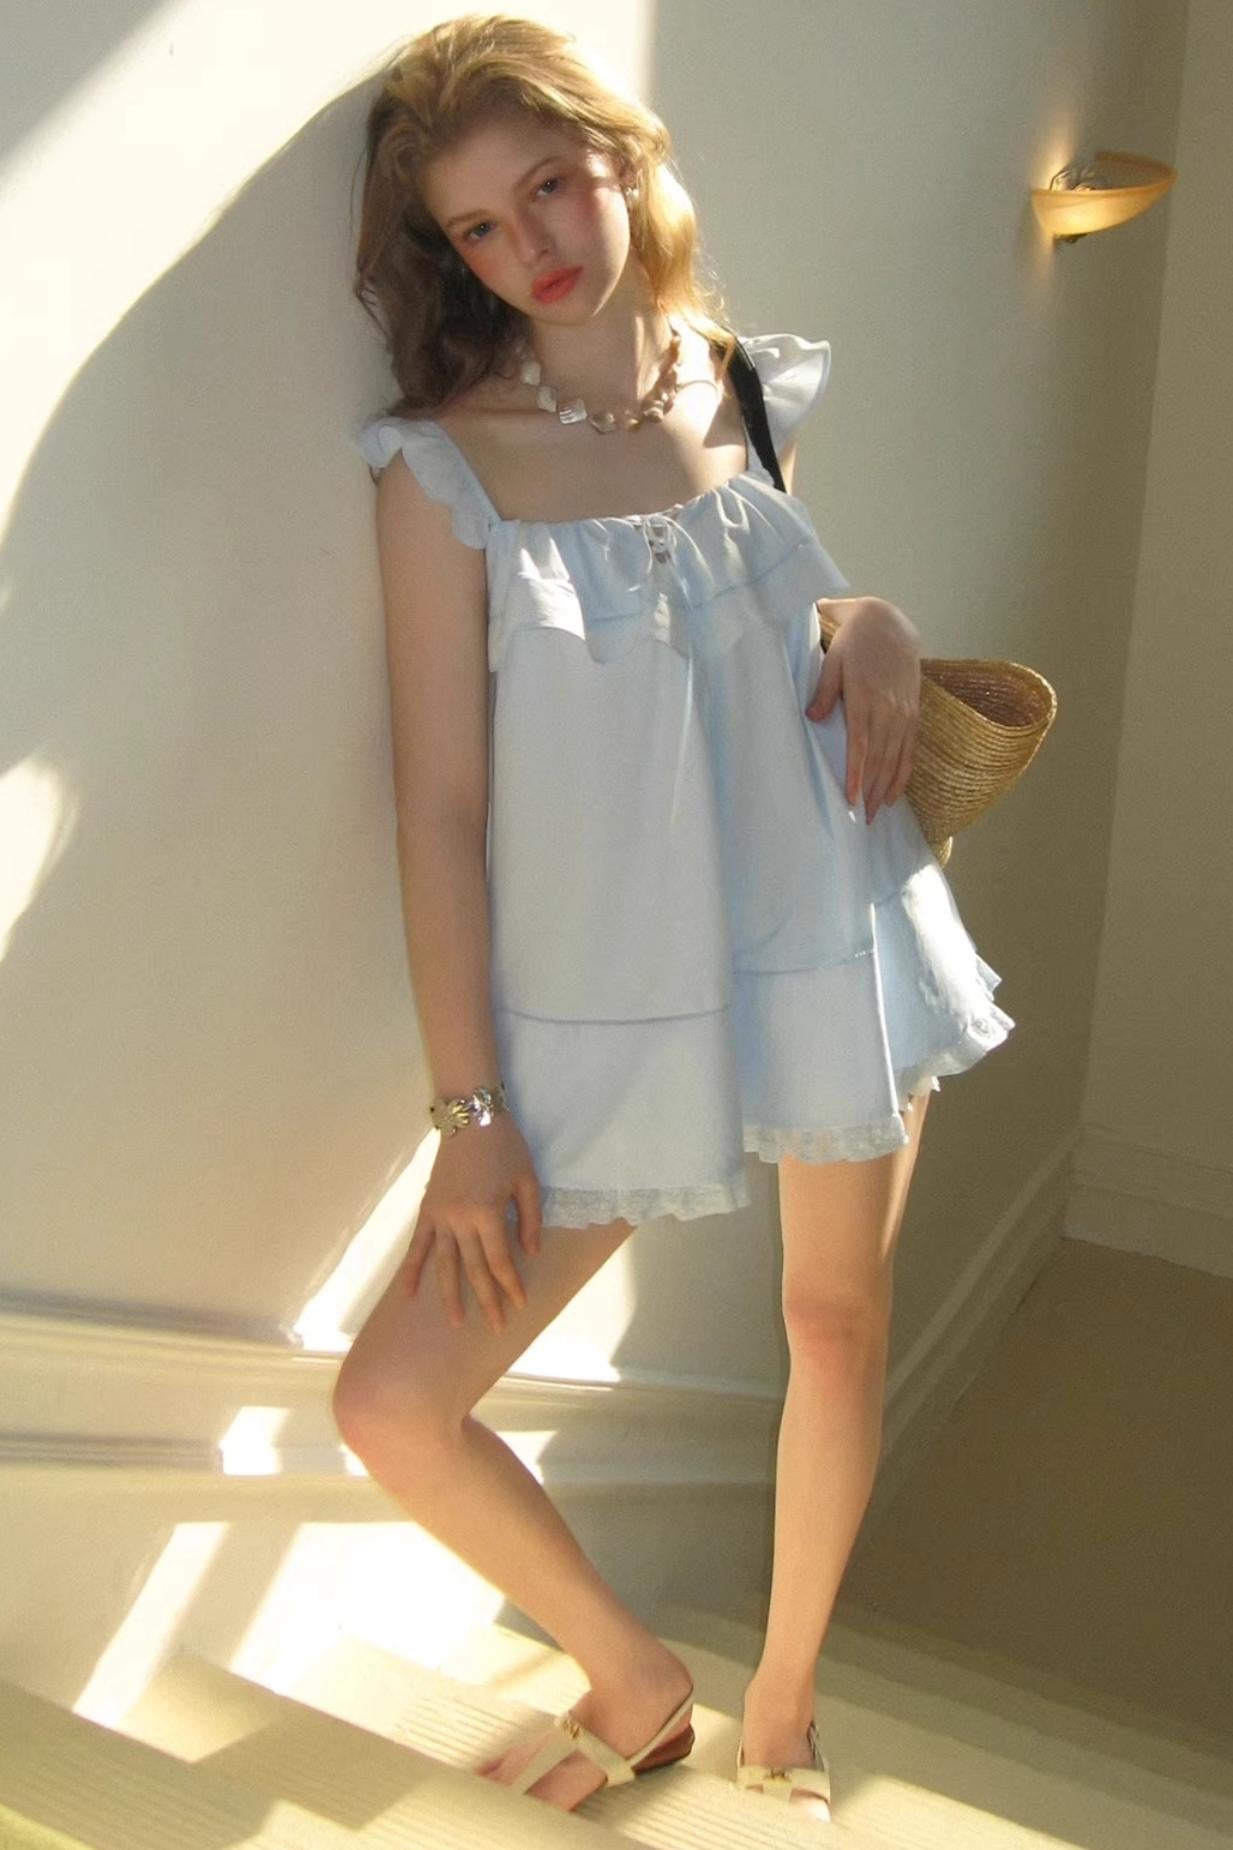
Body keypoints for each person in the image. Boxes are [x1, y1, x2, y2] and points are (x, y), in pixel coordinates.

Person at [333, 10, 1013, 1822]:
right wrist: (469, 1113)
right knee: (393, 1402)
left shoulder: (738, 383)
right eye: (481, 227)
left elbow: (761, 630)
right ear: (453, 256)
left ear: (624, 162)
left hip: (830, 921)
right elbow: (439, 812)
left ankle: (781, 1714)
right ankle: (637, 1680)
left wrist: (869, 618)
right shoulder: (441, 472)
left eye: (552, 185)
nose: (533, 245)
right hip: (611, 1004)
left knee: (833, 1322)